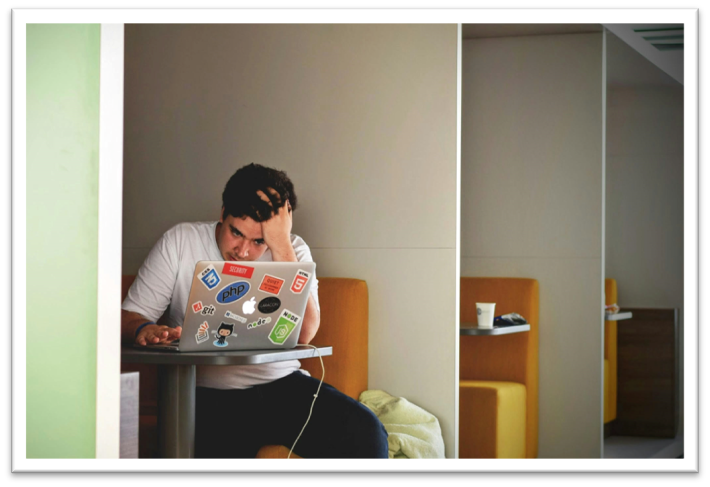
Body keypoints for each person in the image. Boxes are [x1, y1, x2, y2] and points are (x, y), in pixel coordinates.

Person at [121, 163, 389, 458]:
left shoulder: (292, 250)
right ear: (223, 213)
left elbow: (306, 333)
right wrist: (144, 329)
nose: (243, 251)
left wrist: (280, 245)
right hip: (206, 395)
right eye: (236, 233)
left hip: (281, 386)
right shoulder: (180, 241)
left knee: (368, 433)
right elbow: (129, 316)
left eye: (258, 241)